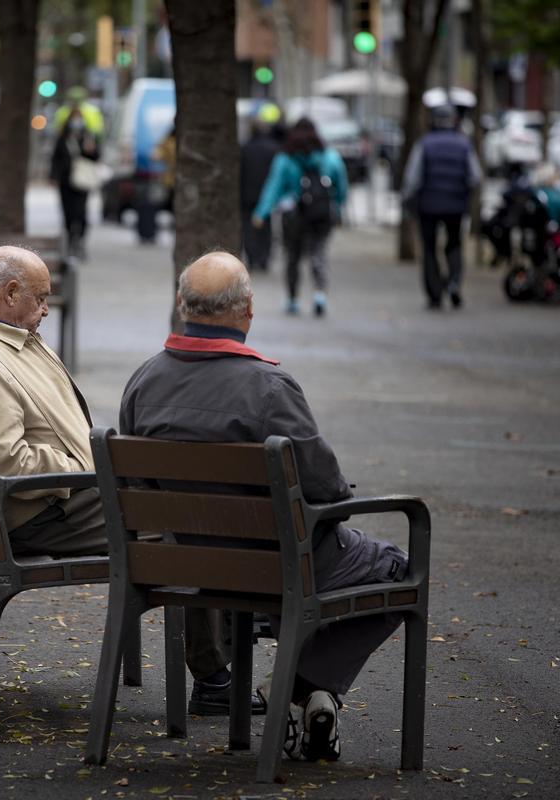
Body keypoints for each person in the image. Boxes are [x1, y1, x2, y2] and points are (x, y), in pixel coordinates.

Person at [0, 246, 260, 717]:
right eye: (41, 298)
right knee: (188, 526)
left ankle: (222, 659)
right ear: (10, 293)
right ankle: (214, 678)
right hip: (45, 511)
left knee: (181, 498)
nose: (46, 309)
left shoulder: (4, 338)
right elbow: (10, 465)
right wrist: (94, 464)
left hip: (65, 493)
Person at [120, 251, 409, 763]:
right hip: (276, 568)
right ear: (246, 311)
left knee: (289, 551)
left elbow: (139, 484)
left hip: (186, 564)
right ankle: (302, 686)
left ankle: (304, 692)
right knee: (394, 568)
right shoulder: (270, 389)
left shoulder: (143, 383)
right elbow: (329, 493)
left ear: (182, 305)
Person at [252, 118, 348, 317]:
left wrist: (261, 213)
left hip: (293, 215)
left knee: (292, 257)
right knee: (319, 252)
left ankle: (293, 299)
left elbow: (274, 186)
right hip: (321, 213)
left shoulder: (286, 158)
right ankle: (319, 294)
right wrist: (338, 209)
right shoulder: (329, 156)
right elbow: (341, 185)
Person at [402, 104, 482, 310]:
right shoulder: (464, 145)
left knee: (429, 249)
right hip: (456, 206)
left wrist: (408, 199)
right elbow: (475, 176)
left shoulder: (425, 144)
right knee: (454, 245)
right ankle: (454, 282)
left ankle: (435, 293)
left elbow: (412, 179)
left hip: (428, 206)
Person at [50, 109, 102, 259]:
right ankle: (70, 240)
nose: (76, 122)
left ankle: (79, 241)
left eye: (79, 118)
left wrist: (91, 150)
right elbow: (55, 158)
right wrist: (54, 176)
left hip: (82, 181)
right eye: (74, 118)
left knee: (81, 212)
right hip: (65, 181)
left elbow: (96, 156)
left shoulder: (88, 137)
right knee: (67, 212)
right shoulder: (63, 138)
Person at [240, 105, 283, 272]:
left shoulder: (245, 148)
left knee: (248, 227)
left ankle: (252, 257)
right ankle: (264, 257)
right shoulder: (274, 149)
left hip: (247, 194)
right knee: (266, 227)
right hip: (266, 194)